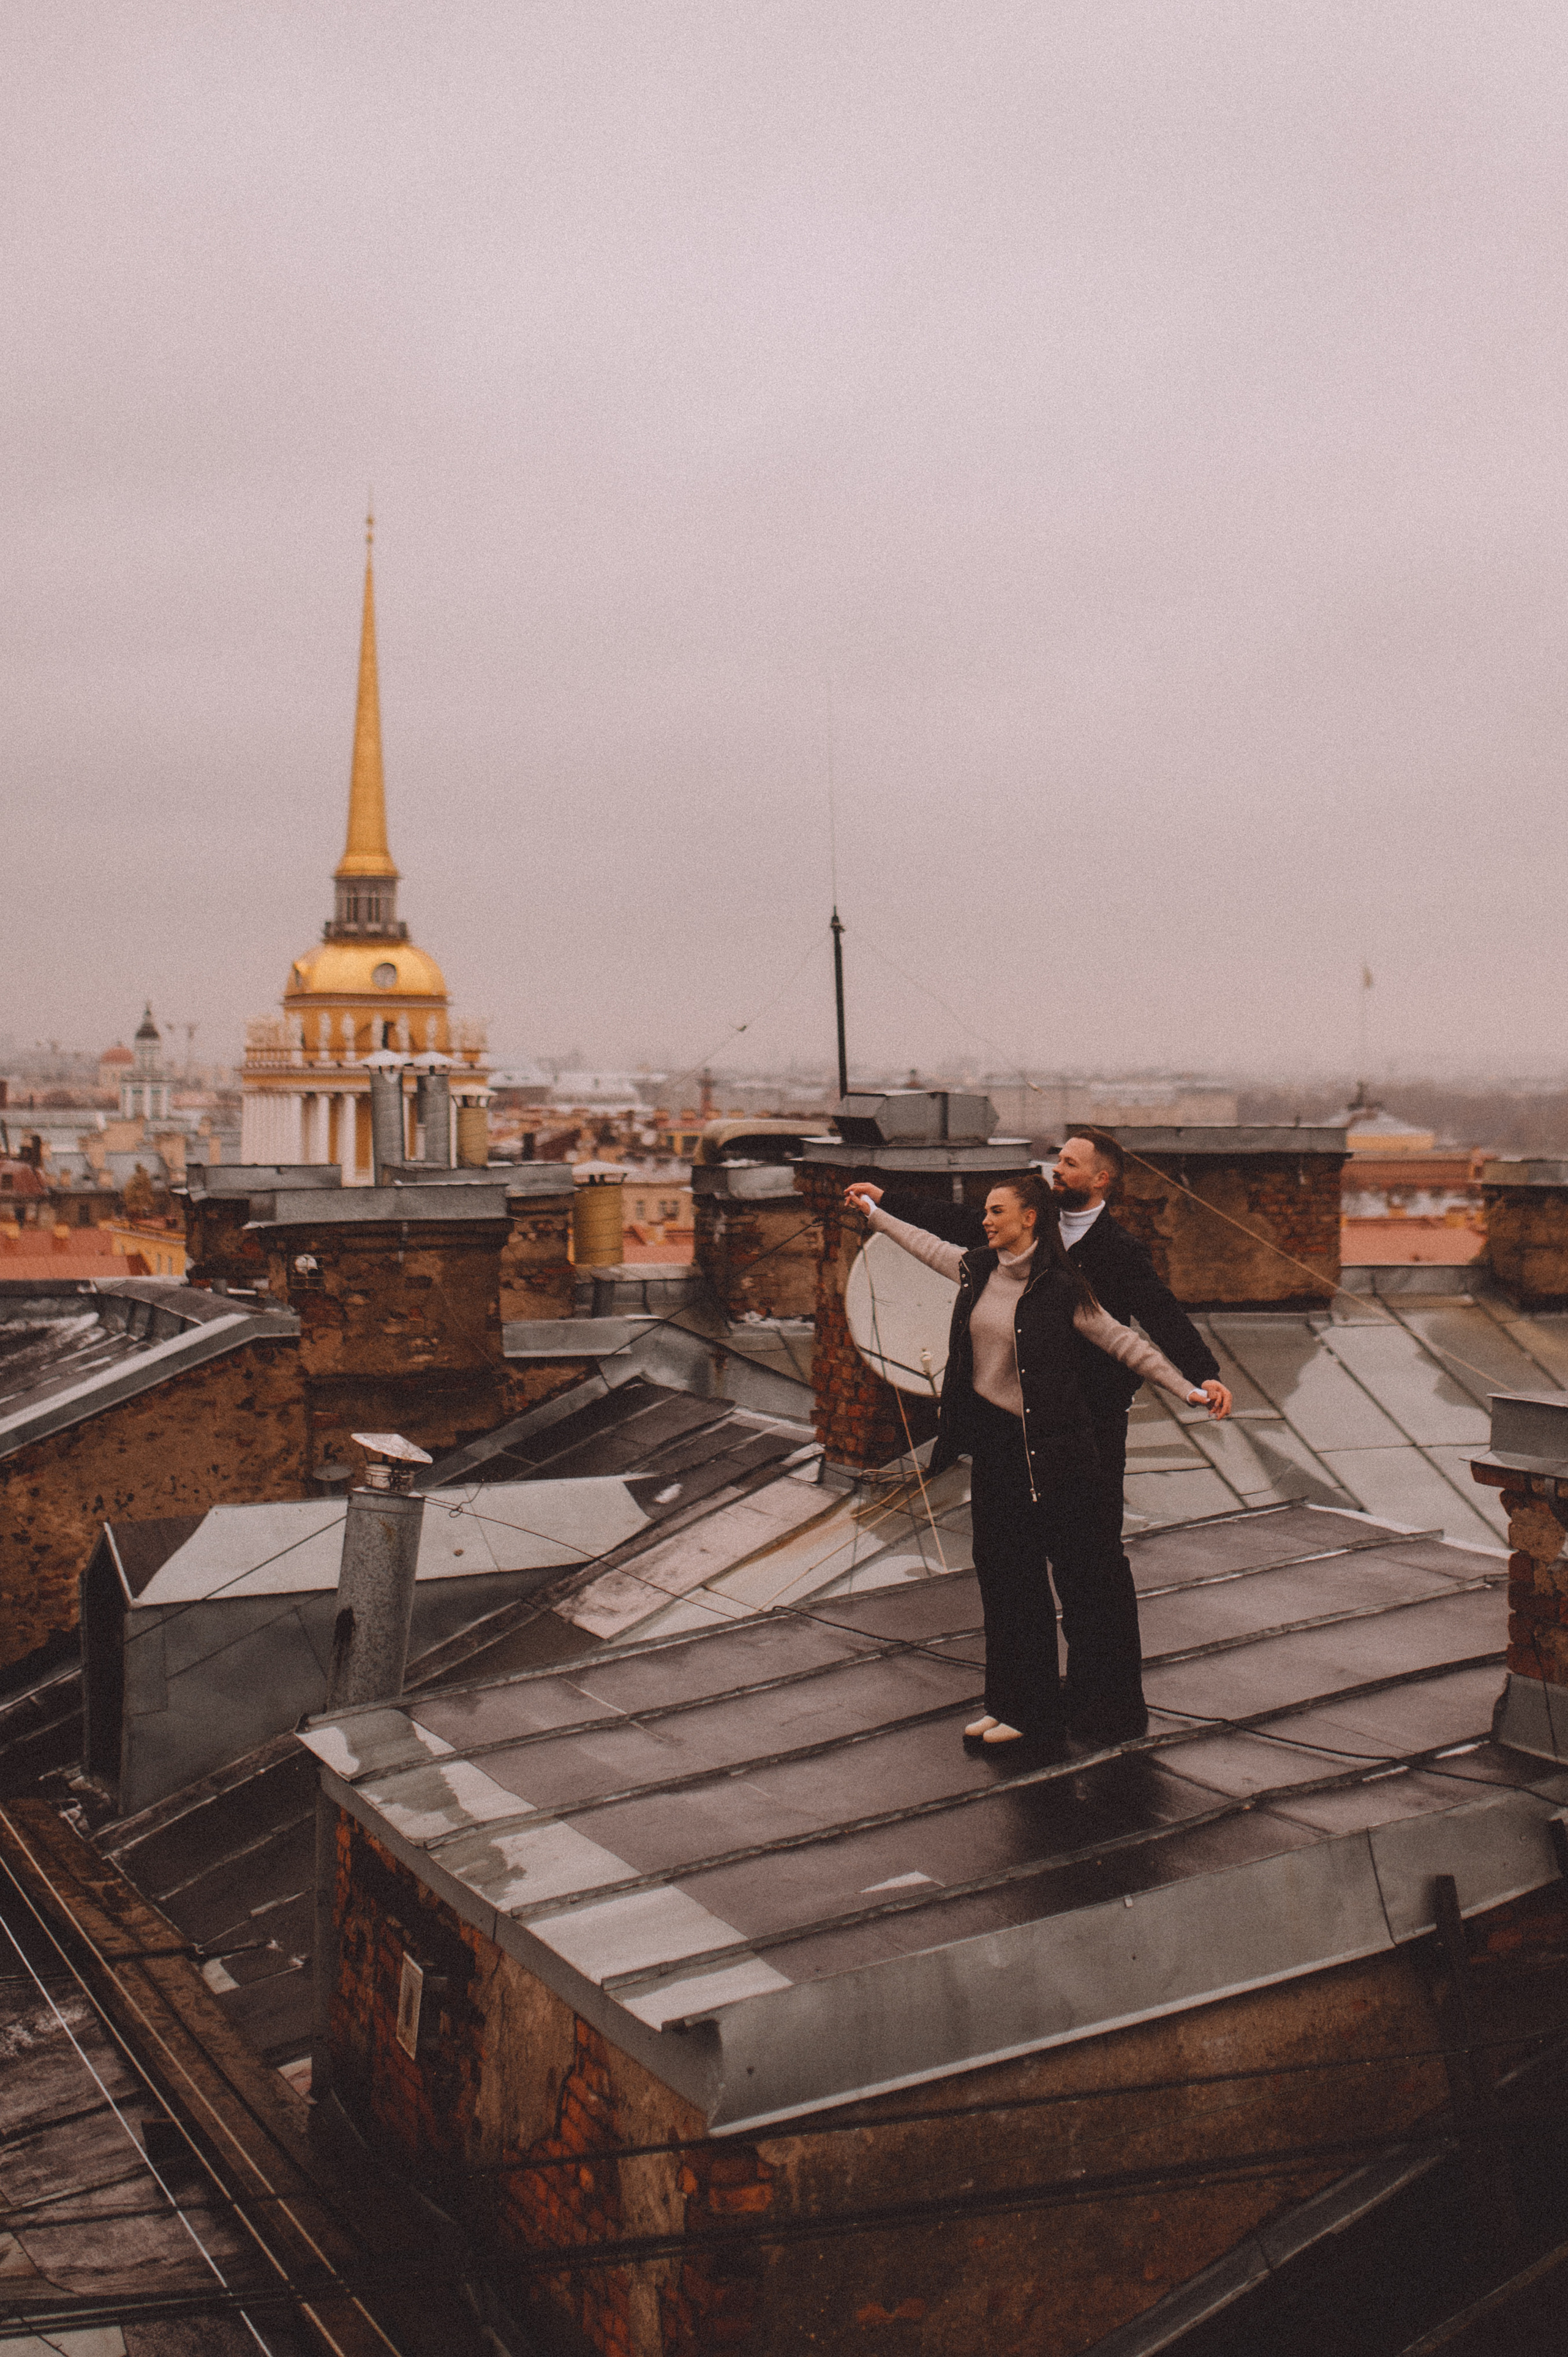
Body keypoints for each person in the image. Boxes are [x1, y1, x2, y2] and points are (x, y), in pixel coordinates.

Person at [850, 1130, 1231, 1743]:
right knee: (1010, 1566)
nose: (1057, 1169)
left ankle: (1106, 1707)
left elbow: (1152, 1319)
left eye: (1070, 1163)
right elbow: (949, 1226)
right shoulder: (1013, 1237)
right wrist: (886, 1202)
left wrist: (1201, 1375)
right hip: (1010, 1431)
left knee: (1090, 1572)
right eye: (1058, 1159)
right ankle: (1024, 1704)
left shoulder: (1114, 1252)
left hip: (1089, 1433)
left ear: (1101, 1179)